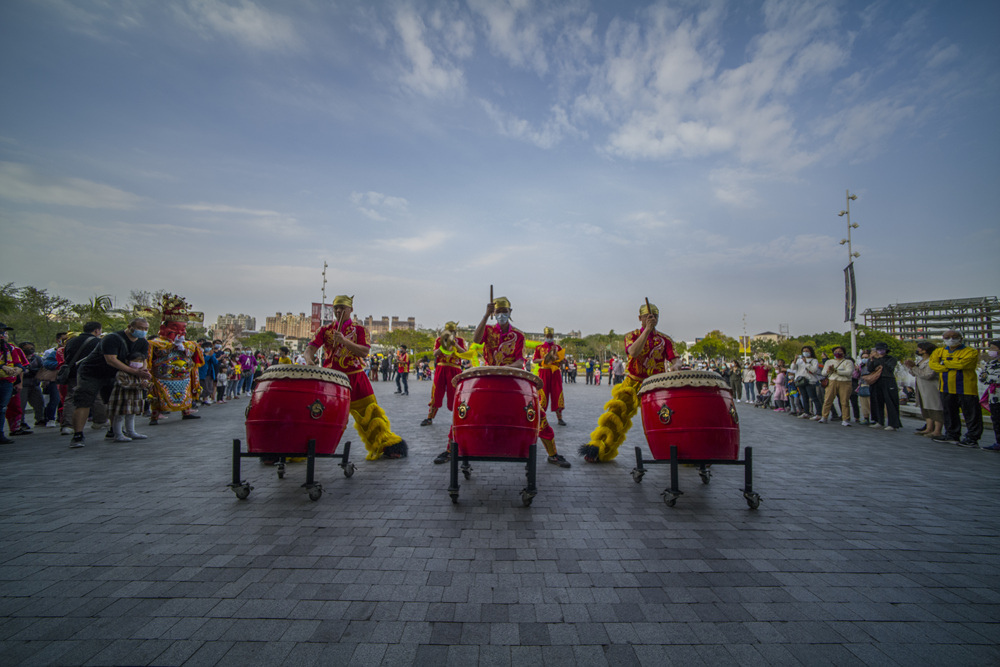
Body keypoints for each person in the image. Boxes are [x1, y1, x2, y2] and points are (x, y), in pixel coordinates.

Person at [437, 297, 569, 467]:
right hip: (487, 380)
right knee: (465, 412)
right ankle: (450, 451)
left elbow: (520, 361)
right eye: (497, 312)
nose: (501, 315)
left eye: (504, 312)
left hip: (511, 381)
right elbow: (476, 340)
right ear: (494, 313)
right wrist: (485, 315)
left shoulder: (519, 335)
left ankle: (553, 454)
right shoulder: (489, 330)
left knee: (537, 415)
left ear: (510, 312)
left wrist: (506, 368)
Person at [305, 295, 407, 460]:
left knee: (371, 415)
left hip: (356, 378)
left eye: (342, 308)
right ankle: (301, 447)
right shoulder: (324, 330)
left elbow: (364, 352)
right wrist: (309, 360)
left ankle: (385, 445)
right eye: (336, 308)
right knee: (316, 413)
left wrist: (344, 341)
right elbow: (310, 348)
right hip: (331, 380)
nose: (338, 311)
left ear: (350, 310)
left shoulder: (359, 330)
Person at [580, 302, 681, 463]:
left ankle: (683, 453)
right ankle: (599, 450)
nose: (652, 318)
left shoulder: (665, 340)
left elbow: (675, 360)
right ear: (640, 318)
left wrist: (677, 366)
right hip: (632, 383)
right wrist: (647, 330)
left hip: (656, 385)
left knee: (670, 417)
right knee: (615, 417)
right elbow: (633, 352)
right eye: (648, 316)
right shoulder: (631, 336)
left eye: (655, 316)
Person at [70, 318, 153, 448]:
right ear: (129, 326)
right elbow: (111, 360)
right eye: (140, 328)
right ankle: (78, 435)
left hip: (114, 374)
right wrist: (134, 372)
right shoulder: (112, 338)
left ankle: (115, 431)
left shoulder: (142, 342)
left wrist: (143, 371)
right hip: (93, 372)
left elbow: (143, 360)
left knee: (115, 402)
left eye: (145, 329)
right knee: (84, 401)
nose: (142, 331)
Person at [146, 296, 204, 425]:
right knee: (157, 396)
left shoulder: (189, 344)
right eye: (175, 327)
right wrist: (171, 345)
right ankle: (154, 416)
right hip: (162, 376)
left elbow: (195, 360)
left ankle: (187, 412)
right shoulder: (155, 343)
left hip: (183, 376)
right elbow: (153, 358)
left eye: (183, 327)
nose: (180, 331)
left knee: (186, 393)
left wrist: (182, 347)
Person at [929, 329, 983, 447]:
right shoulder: (939, 351)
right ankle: (952, 435)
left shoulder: (970, 351)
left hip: (966, 388)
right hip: (946, 387)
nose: (951, 339)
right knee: (949, 412)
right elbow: (933, 365)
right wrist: (949, 365)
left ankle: (972, 438)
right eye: (947, 337)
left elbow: (963, 365)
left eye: (954, 337)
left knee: (971, 414)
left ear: (961, 338)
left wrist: (944, 364)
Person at [421, 322, 466, 426]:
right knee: (436, 392)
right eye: (448, 331)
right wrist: (442, 346)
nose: (450, 333)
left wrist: (456, 345)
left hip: (455, 369)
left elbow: (464, 353)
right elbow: (434, 354)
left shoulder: (460, 340)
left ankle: (458, 419)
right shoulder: (439, 340)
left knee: (455, 394)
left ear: (455, 331)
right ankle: (430, 418)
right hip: (441, 368)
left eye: (452, 331)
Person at [902, 342, 944, 438]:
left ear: (925, 350)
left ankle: (937, 430)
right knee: (926, 408)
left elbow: (927, 375)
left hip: (932, 388)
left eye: (919, 348)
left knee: (935, 408)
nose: (918, 350)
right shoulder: (922, 361)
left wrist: (914, 367)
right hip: (922, 388)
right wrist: (911, 367)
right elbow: (916, 373)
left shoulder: (932, 360)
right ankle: (929, 428)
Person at [107, 351, 151, 442]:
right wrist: (139, 385)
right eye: (136, 361)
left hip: (134, 399)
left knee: (131, 415)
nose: (138, 363)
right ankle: (118, 434)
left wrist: (147, 383)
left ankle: (131, 432)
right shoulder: (122, 372)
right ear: (128, 361)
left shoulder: (141, 373)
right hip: (122, 398)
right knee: (119, 416)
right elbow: (124, 384)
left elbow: (145, 383)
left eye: (140, 361)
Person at [533, 327, 567, 426]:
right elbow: (534, 360)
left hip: (555, 372)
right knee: (542, 395)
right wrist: (544, 359)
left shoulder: (558, 347)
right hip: (543, 372)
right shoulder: (539, 347)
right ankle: (540, 417)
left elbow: (563, 360)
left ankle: (559, 417)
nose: (549, 338)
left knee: (557, 393)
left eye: (551, 336)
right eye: (547, 336)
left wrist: (558, 358)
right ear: (544, 336)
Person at [864, 342, 901, 431]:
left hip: (888, 380)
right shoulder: (873, 359)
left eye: (882, 350)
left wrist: (879, 360)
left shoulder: (891, 359)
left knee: (890, 402)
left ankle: (893, 423)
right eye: (878, 350)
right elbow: (869, 369)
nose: (880, 352)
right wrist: (872, 360)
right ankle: (879, 421)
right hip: (876, 381)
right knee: (876, 401)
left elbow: (889, 368)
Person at [817, 346, 855, 425]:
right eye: (836, 351)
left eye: (840, 351)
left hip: (845, 382)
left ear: (844, 353)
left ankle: (845, 419)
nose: (838, 353)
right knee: (828, 399)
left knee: (844, 401)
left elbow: (849, 372)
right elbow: (823, 373)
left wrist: (836, 371)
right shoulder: (829, 362)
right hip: (832, 381)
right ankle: (824, 416)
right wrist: (828, 371)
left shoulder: (848, 362)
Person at [979, 339, 1000, 451]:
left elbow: (989, 377)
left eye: (993, 348)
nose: (990, 351)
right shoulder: (991, 363)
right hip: (994, 396)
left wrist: (990, 378)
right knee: (996, 419)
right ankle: (998, 442)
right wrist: (991, 379)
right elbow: (982, 377)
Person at [789, 346, 821, 418]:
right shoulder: (799, 360)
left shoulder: (814, 360)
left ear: (811, 352)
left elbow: (814, 370)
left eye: (807, 351)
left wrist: (806, 363)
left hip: (809, 380)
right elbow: (792, 368)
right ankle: (806, 412)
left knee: (813, 397)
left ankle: (819, 413)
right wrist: (795, 360)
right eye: (804, 351)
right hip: (800, 380)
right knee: (804, 397)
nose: (805, 352)